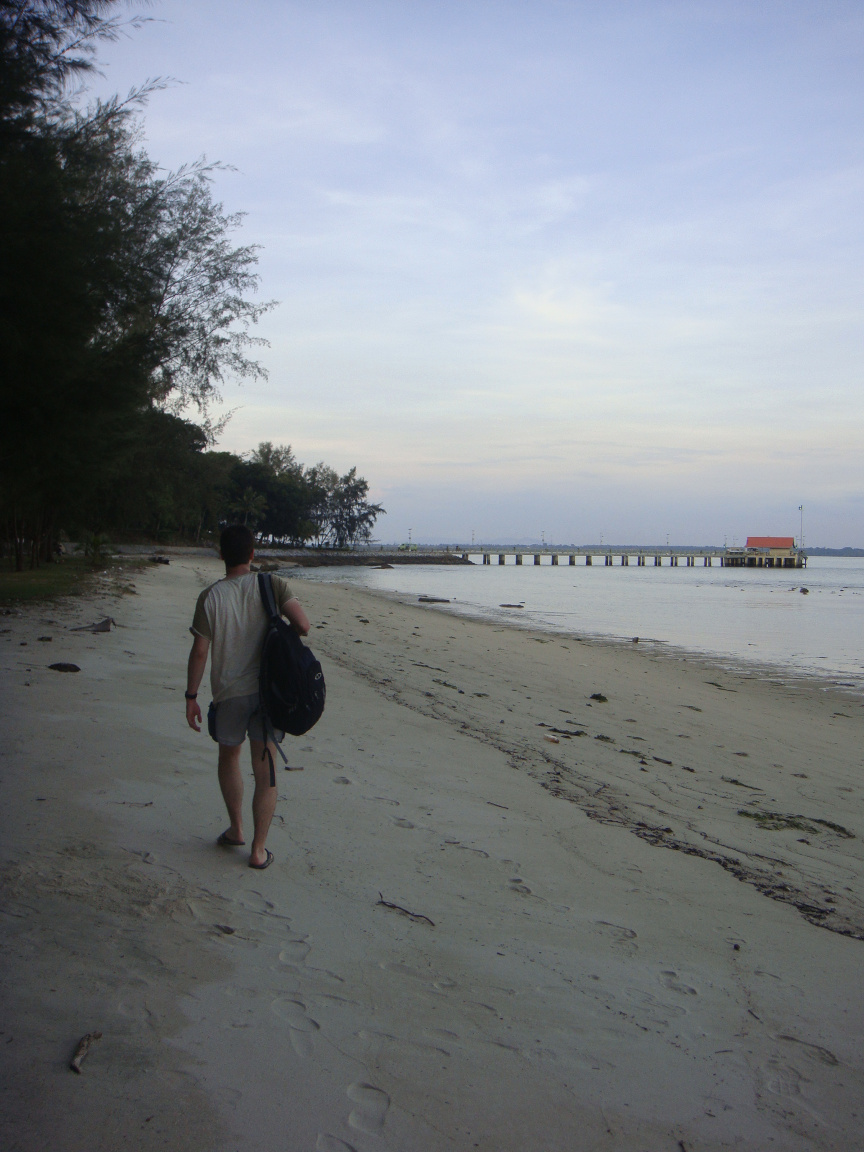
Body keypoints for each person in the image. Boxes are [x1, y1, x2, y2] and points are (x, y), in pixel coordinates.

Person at [185, 524, 310, 868]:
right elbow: (303, 625)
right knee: (265, 767)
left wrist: (191, 696)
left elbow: (199, 651)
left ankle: (236, 829)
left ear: (221, 555)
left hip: (229, 693)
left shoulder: (210, 596)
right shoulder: (272, 584)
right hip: (269, 694)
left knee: (229, 758)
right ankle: (258, 850)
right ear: (253, 554)